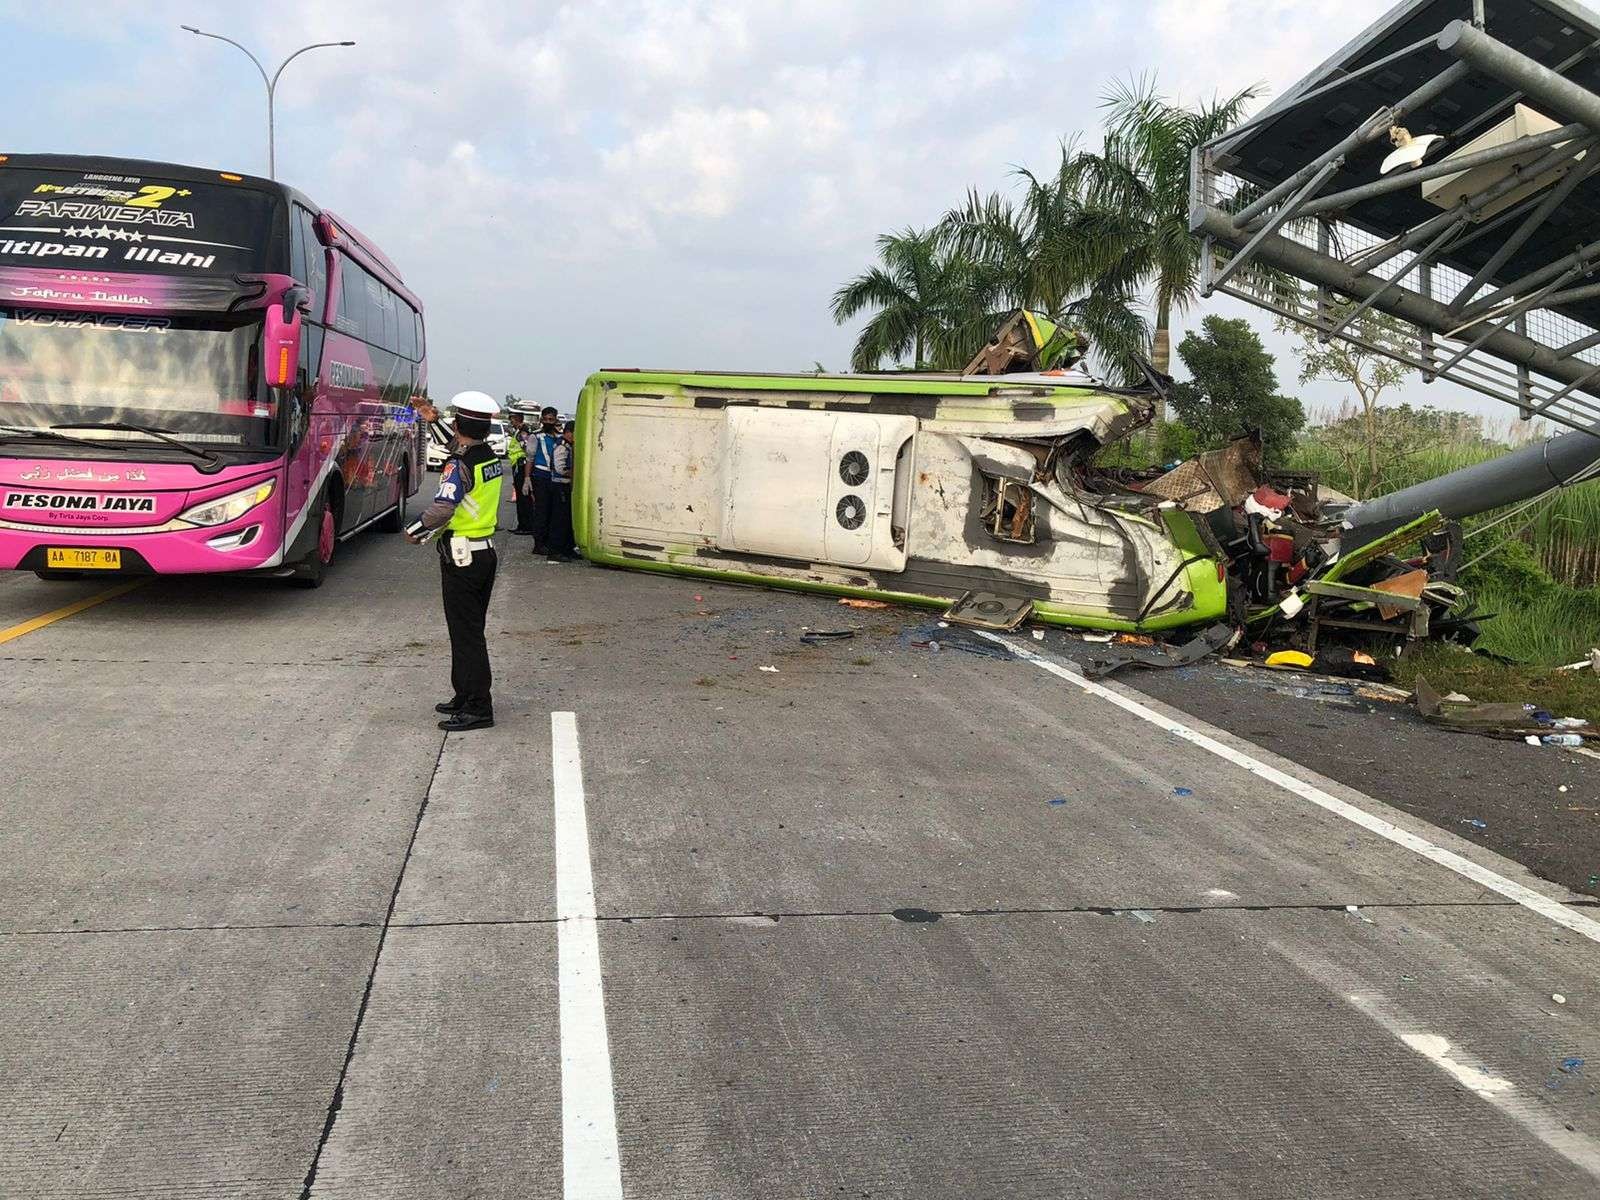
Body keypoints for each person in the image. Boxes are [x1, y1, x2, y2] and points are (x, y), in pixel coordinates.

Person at [404, 390, 504, 732]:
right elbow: (459, 445)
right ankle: (464, 694)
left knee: (467, 635)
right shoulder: (487, 456)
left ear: (460, 425)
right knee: (466, 631)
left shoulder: (459, 464)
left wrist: (414, 530)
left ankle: (479, 706)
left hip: (463, 558)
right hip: (482, 554)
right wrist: (432, 419)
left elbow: (443, 508)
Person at [543, 421, 581, 562]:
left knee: (568, 520)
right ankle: (555, 551)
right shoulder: (562, 447)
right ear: (568, 432)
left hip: (566, 486)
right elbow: (560, 468)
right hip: (560, 486)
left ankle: (567, 549)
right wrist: (574, 473)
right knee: (559, 520)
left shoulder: (569, 446)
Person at [527, 405, 561, 555]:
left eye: (551, 419)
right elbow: (530, 458)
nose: (548, 422)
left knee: (552, 512)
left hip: (554, 478)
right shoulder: (535, 436)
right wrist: (527, 478)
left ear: (555, 420)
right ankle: (538, 544)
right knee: (541, 511)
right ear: (541, 419)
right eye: (546, 419)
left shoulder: (558, 437)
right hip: (540, 477)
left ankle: (548, 541)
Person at [507, 410, 535, 535]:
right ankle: (522, 524)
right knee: (521, 497)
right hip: (518, 466)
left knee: (524, 498)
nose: (510, 421)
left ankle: (525, 525)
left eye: (512, 419)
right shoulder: (519, 431)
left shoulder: (523, 432)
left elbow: (527, 448)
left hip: (522, 466)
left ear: (517, 418)